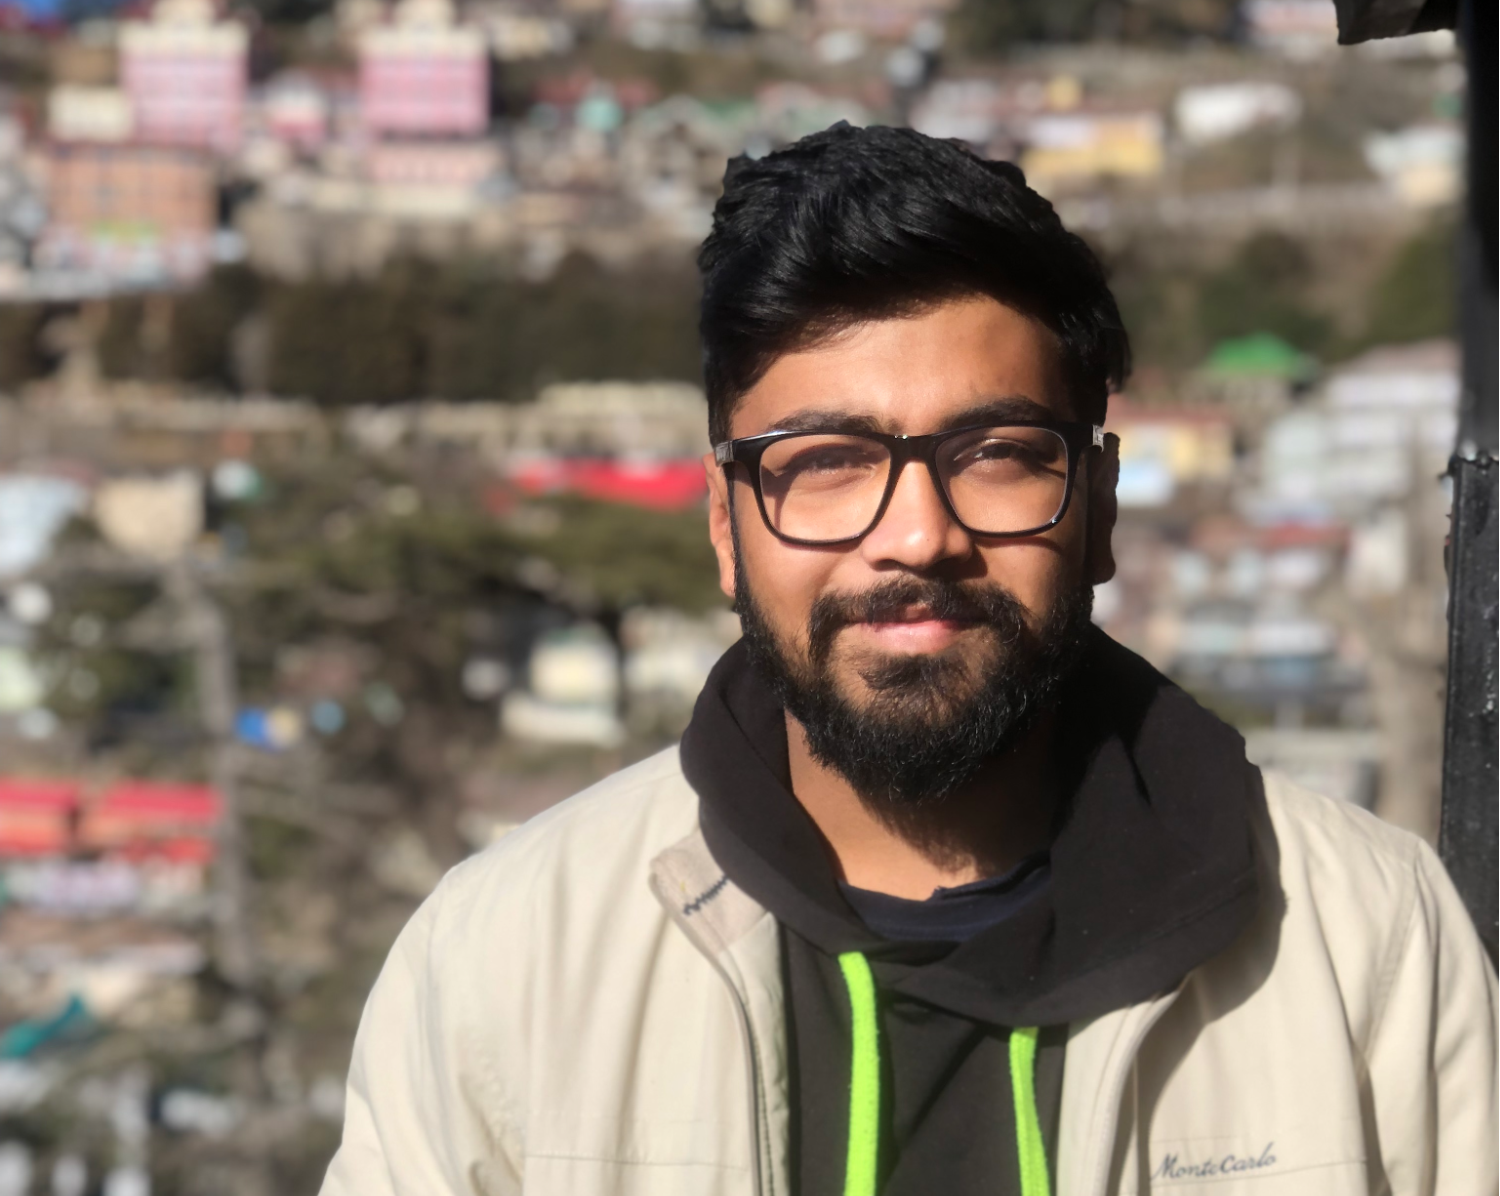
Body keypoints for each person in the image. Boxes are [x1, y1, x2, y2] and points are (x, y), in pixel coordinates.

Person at [319, 125, 1498, 1196]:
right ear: (727, 527)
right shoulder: (506, 962)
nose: (919, 535)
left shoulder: (1365, 945)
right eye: (826, 460)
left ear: (1099, 505)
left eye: (996, 452)